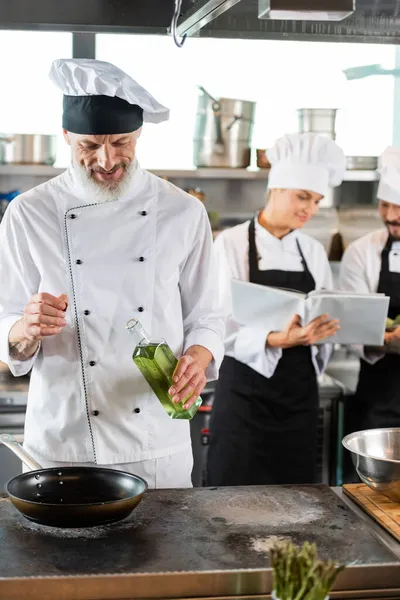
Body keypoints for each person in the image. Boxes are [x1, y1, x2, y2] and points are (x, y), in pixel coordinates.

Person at [0, 59, 225, 489]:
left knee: (167, 554)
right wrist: (24, 328)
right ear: (66, 136)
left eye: (121, 142)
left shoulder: (183, 211)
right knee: (58, 557)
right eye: (89, 146)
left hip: (156, 440)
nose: (107, 160)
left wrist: (198, 358)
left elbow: (209, 316)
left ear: (139, 134)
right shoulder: (28, 213)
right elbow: (5, 318)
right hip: (63, 439)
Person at [207, 133, 345, 486]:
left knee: (296, 504)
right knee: (232, 505)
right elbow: (216, 325)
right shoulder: (230, 244)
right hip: (243, 397)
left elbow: (326, 311)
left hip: (298, 398)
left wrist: (325, 330)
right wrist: (274, 338)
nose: (310, 209)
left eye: (316, 201)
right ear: (276, 189)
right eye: (303, 197)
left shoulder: (313, 251)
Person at [340, 146, 400, 440]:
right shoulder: (362, 252)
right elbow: (350, 327)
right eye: (385, 205)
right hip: (379, 398)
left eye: (399, 206)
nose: (391, 216)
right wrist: (388, 340)